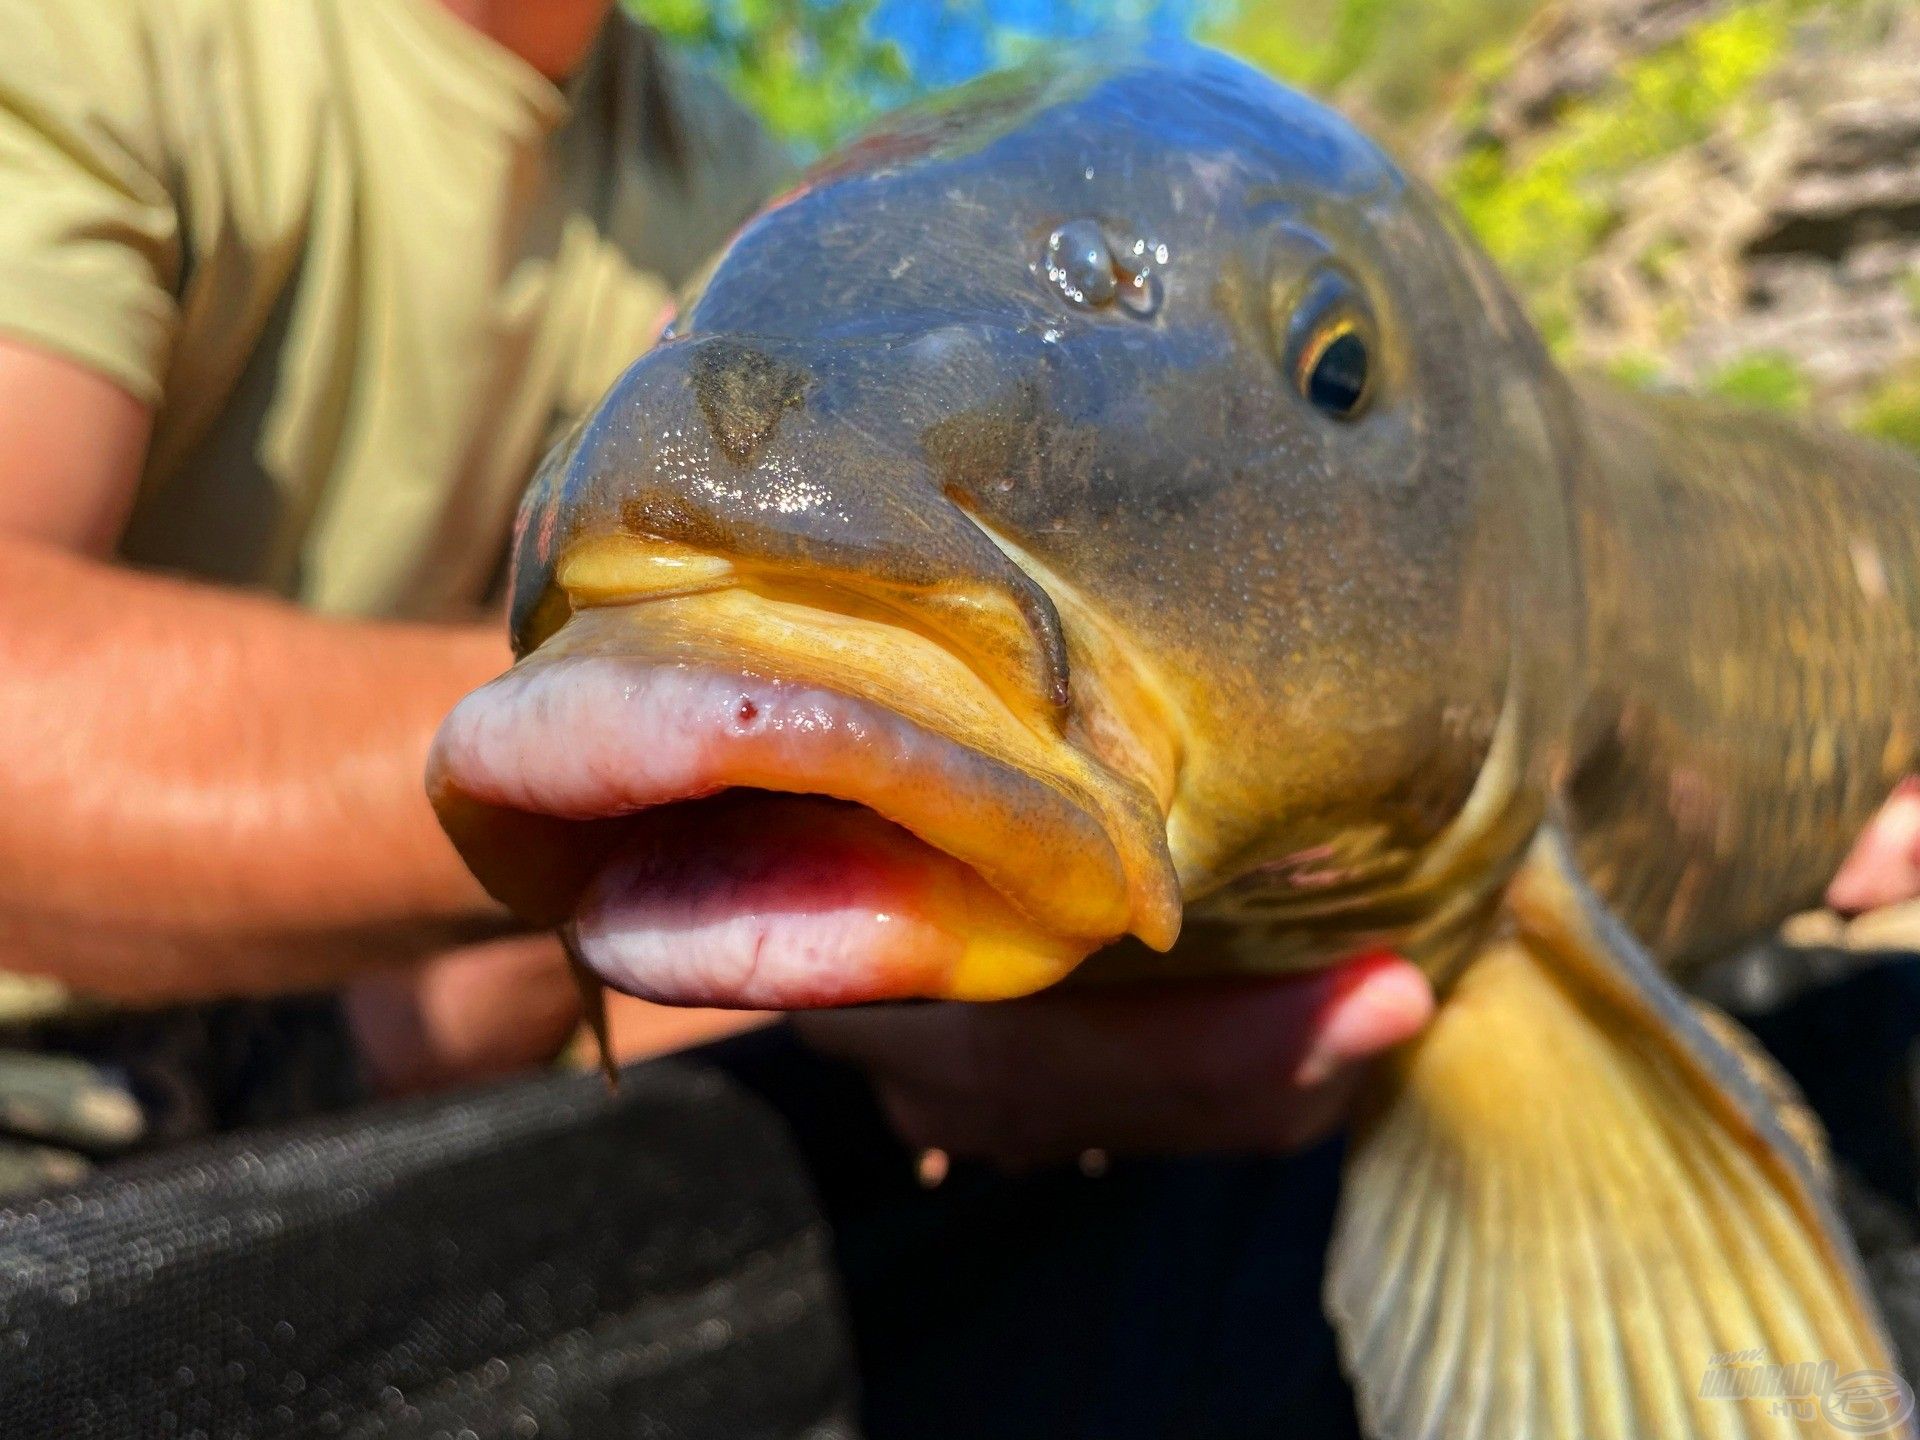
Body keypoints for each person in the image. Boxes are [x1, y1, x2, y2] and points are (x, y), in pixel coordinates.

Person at [0, 0, 1437, 1194]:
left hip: (422, 1058)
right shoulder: (113, 34)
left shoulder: (746, 181)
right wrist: (761, 734)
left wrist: (901, 993)